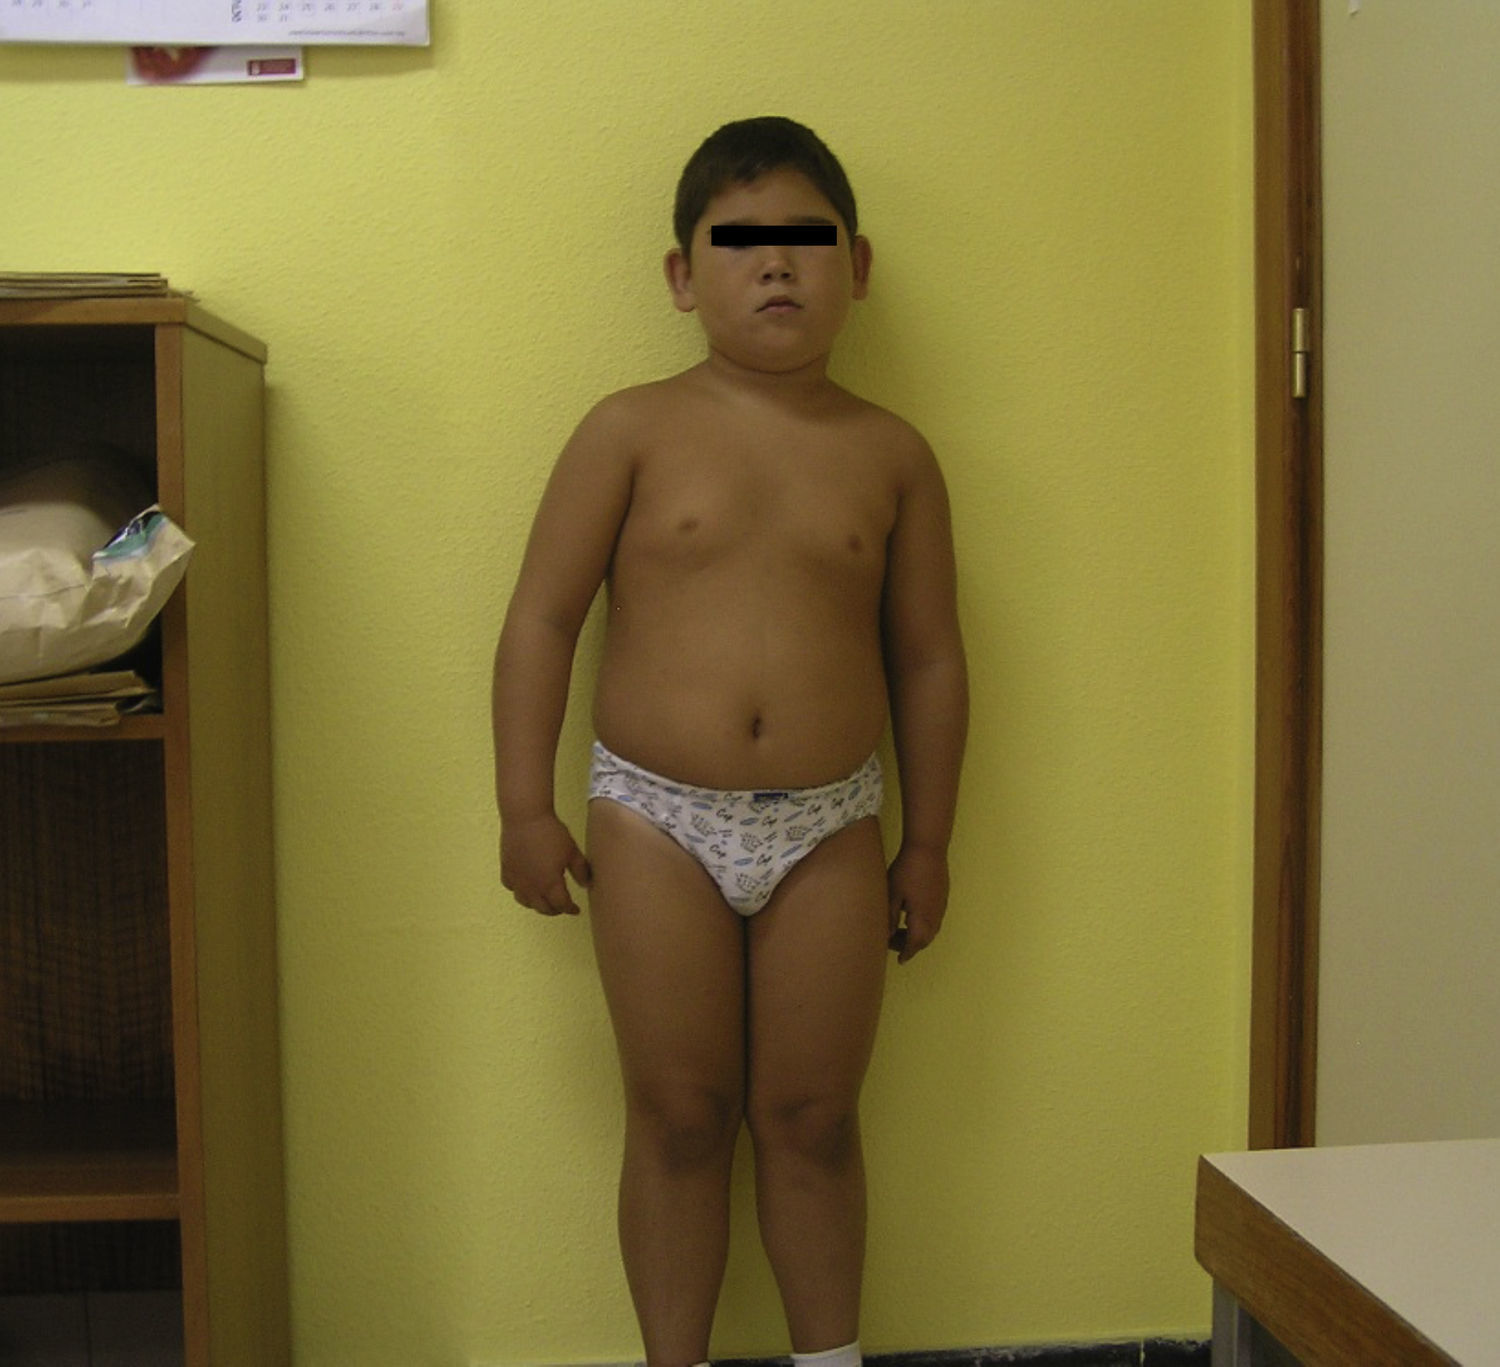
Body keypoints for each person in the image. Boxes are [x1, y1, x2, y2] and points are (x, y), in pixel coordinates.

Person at [492, 116, 967, 1367]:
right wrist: (523, 806)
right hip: (653, 814)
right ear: (680, 274)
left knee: (812, 1117)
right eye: (740, 240)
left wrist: (929, 841)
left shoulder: (893, 455)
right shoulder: (628, 430)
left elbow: (929, 657)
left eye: (806, 239)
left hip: (832, 823)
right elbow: (541, 620)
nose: (776, 264)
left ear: (856, 265)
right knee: (678, 1114)